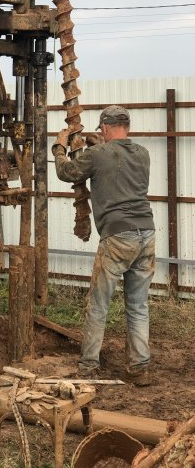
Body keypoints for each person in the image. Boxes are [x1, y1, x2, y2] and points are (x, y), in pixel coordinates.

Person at [52, 105, 155, 386]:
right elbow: (116, 159)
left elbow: (68, 173)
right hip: (146, 233)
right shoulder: (142, 154)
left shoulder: (97, 155)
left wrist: (59, 149)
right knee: (138, 305)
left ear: (106, 128)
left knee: (99, 304)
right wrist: (99, 146)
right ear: (127, 127)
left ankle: (88, 365)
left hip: (117, 237)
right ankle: (139, 367)